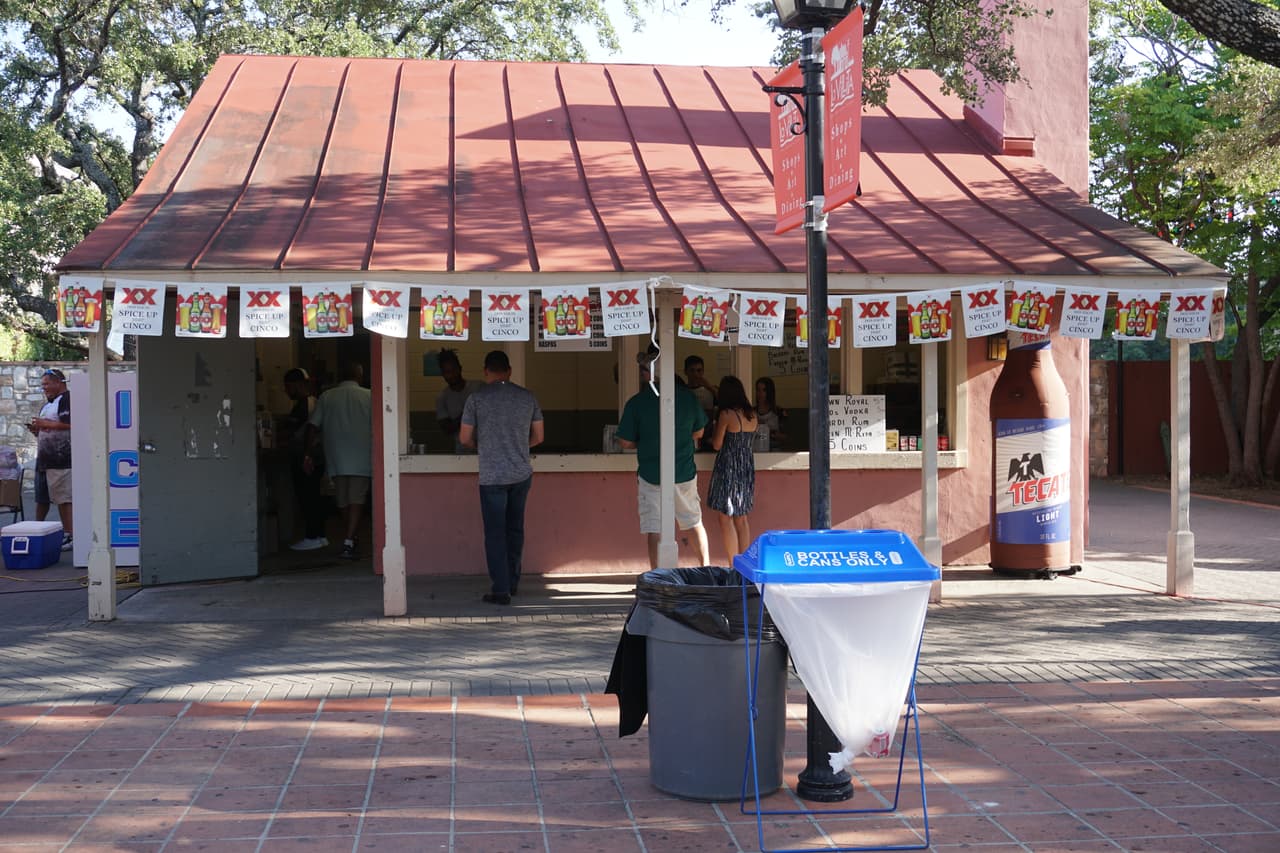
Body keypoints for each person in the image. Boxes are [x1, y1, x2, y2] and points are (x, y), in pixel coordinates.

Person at [459, 350, 544, 605]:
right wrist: (520, 447)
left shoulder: (476, 399)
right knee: (515, 529)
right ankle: (513, 582)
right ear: (509, 371)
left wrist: (483, 447)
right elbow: (539, 437)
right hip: (520, 474)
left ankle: (501, 589)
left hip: (492, 477)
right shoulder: (527, 397)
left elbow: (464, 438)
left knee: (495, 533)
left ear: (486, 372)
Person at [616, 347, 710, 569]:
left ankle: (659, 574)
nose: (641, 373)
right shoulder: (687, 398)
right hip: (684, 470)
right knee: (693, 521)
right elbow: (699, 432)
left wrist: (647, 440)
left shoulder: (637, 402)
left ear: (651, 372)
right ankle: (706, 568)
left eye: (642, 369)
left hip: (651, 473)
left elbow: (625, 442)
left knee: (654, 527)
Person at [307, 361, 372, 560]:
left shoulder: (327, 397)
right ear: (359, 377)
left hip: (336, 458)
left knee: (342, 501)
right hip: (362, 457)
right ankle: (350, 539)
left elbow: (312, 426)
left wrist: (308, 453)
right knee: (357, 500)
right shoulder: (370, 396)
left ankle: (349, 539)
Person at [707, 376, 758, 559]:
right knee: (742, 517)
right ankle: (744, 562)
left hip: (729, 464)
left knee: (725, 516)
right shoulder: (752, 414)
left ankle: (733, 563)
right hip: (746, 464)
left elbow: (717, 444)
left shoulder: (726, 414)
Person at [282, 368, 327, 551]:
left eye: (288, 387)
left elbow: (307, 430)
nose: (286, 391)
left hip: (307, 457)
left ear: (297, 385)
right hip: (315, 456)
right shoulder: (314, 401)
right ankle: (319, 535)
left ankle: (312, 536)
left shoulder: (305, 405)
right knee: (314, 496)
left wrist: (306, 455)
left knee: (308, 496)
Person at [28, 368, 73, 550]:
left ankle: (71, 535)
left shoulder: (66, 399)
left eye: (46, 383)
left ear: (59, 382)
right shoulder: (48, 404)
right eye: (42, 384)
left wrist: (44, 423)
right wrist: (37, 430)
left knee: (63, 498)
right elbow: (49, 428)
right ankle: (37, 531)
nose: (43, 387)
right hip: (44, 459)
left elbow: (70, 424)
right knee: (42, 498)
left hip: (60, 458)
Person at [435, 349, 483, 452]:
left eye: (454, 370)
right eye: (447, 372)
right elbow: (446, 429)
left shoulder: (479, 387)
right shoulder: (442, 398)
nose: (451, 375)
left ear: (460, 369)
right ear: (442, 374)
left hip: (485, 447)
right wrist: (468, 413)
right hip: (461, 450)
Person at [683, 354, 718, 425]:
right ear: (686, 372)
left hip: (708, 430)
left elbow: (725, 402)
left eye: (699, 370)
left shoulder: (711, 390)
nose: (695, 374)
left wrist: (710, 387)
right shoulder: (682, 391)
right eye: (692, 370)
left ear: (703, 371)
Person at [754, 376, 787, 451]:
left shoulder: (779, 412)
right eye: (758, 390)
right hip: (756, 451)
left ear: (769, 392)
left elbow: (786, 437)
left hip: (774, 452)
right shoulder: (752, 412)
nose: (760, 393)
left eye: (764, 390)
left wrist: (769, 431)